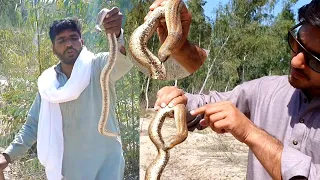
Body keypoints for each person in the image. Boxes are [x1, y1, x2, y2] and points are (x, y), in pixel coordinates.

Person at [151, 0, 320, 179]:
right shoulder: (268, 89)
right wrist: (180, 102)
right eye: (296, 44)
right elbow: (210, 103)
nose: (295, 62)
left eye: (315, 60)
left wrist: (249, 132)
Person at [0, 7, 133, 180]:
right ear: (53, 49)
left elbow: (122, 61)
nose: (69, 44)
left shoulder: (99, 66)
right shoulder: (49, 84)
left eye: (73, 38)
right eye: (61, 40)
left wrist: (116, 35)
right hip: (69, 170)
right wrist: (7, 155)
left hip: (107, 166)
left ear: (82, 41)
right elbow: (33, 126)